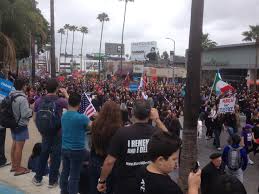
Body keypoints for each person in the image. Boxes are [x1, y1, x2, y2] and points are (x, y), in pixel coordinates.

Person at [97, 99, 167, 194]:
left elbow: (109, 162)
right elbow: (171, 140)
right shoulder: (156, 133)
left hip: (126, 185)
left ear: (133, 112)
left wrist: (102, 180)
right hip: (148, 183)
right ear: (150, 114)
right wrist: (157, 120)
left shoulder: (122, 133)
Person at [32, 78, 68, 188]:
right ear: (57, 89)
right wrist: (66, 94)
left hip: (45, 133)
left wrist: (41, 129)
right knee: (56, 156)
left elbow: (34, 116)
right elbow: (73, 106)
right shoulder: (60, 101)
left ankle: (38, 178)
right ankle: (52, 181)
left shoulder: (39, 100)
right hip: (57, 132)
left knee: (43, 154)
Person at [60, 93, 91, 194]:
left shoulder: (63, 116)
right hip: (77, 150)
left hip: (65, 148)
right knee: (74, 176)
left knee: (65, 172)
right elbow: (93, 126)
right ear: (79, 104)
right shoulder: (82, 118)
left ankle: (63, 191)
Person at [89, 101, 123, 194]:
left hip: (95, 160)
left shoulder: (95, 124)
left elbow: (91, 144)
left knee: (94, 189)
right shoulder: (119, 129)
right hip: (111, 164)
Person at [9, 78, 32, 176]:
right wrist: (31, 110)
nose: (26, 86)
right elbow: (25, 114)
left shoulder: (11, 95)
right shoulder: (22, 98)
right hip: (21, 124)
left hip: (13, 123)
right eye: (25, 85)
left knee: (14, 144)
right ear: (23, 86)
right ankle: (18, 169)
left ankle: (14, 165)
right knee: (19, 147)